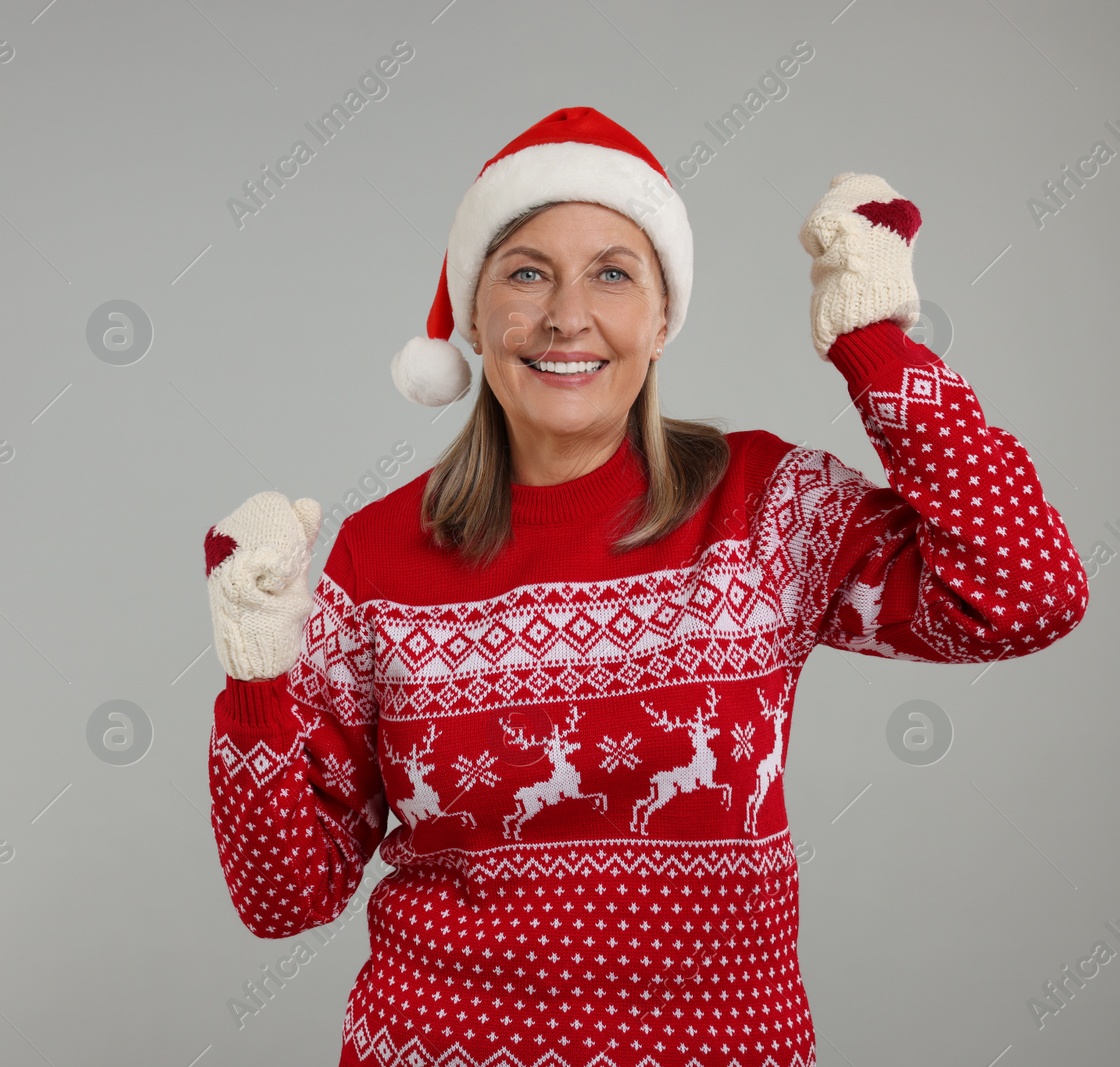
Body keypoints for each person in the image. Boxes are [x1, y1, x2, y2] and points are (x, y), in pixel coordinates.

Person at [201, 107, 1088, 1067]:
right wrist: (258, 671)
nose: (566, 315)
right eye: (527, 271)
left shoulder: (761, 506)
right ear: (473, 313)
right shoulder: (376, 557)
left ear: (662, 318)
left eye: (614, 273)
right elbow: (285, 898)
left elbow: (1023, 590)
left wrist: (872, 343)